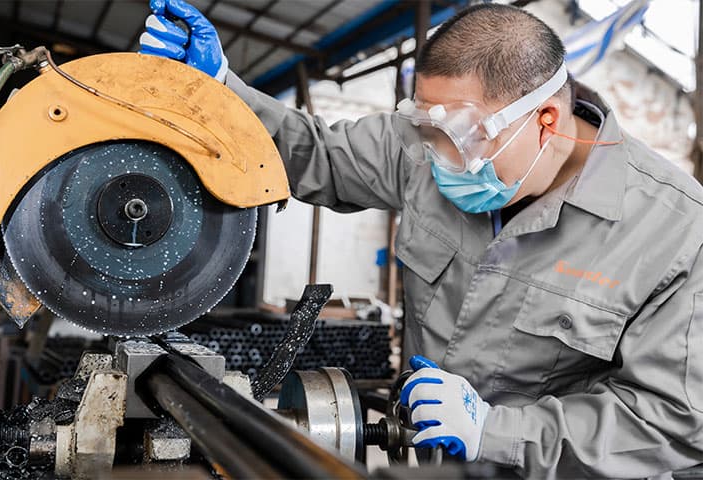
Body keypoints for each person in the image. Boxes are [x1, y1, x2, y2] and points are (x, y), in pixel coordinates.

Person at [140, 1, 703, 477]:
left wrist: (494, 432)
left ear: (547, 121)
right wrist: (215, 91)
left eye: (457, 136)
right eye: (425, 130)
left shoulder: (675, 231)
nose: (437, 159)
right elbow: (318, 154)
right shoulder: (425, 145)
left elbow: (670, 420)